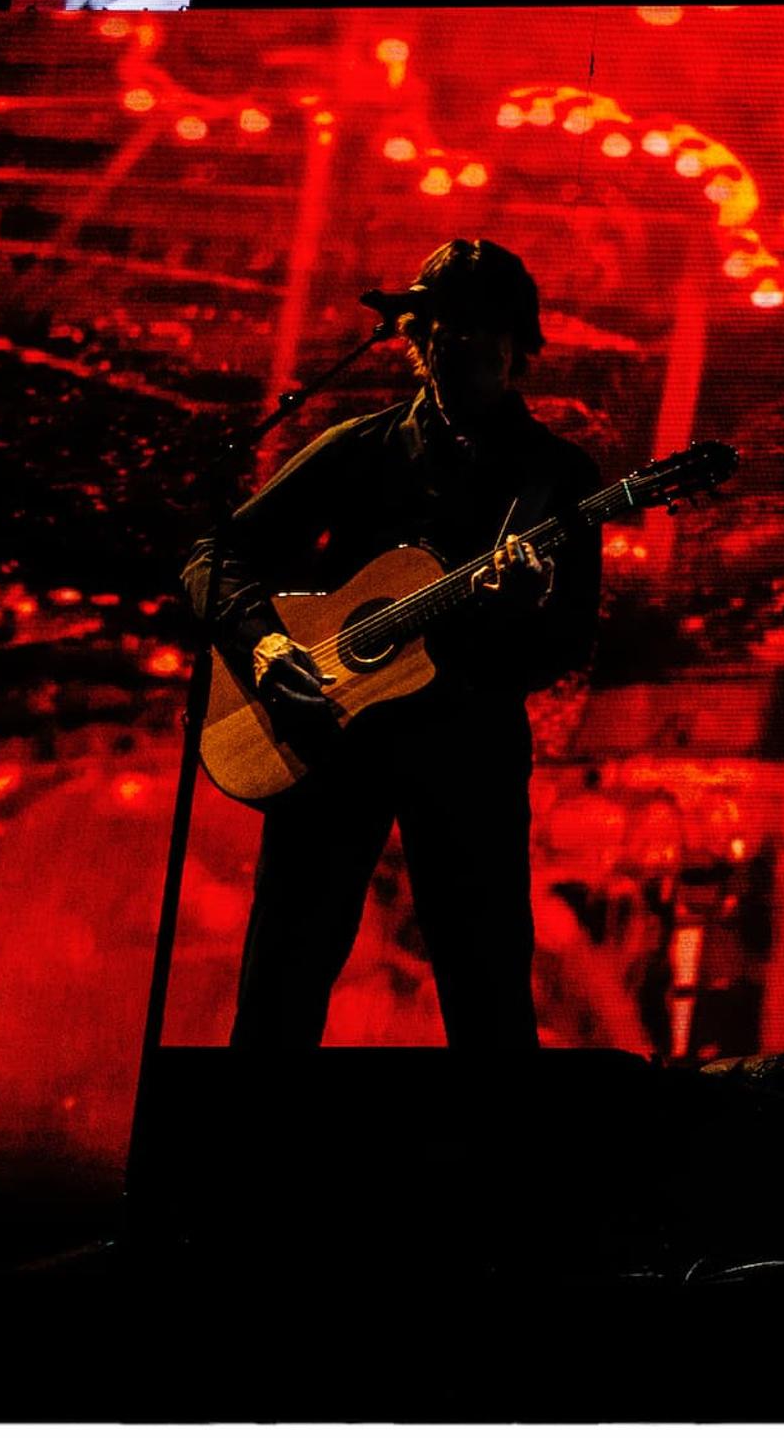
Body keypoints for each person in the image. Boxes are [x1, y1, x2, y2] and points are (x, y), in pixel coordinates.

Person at [184, 238, 601, 1047]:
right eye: (442, 325)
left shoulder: (558, 477)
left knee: (488, 1002)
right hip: (328, 741)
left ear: (518, 344)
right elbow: (215, 555)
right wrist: (268, 649)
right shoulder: (357, 449)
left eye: (482, 326)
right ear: (416, 340)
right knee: (280, 991)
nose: (459, 341)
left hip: (467, 755)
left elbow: (568, 642)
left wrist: (519, 611)